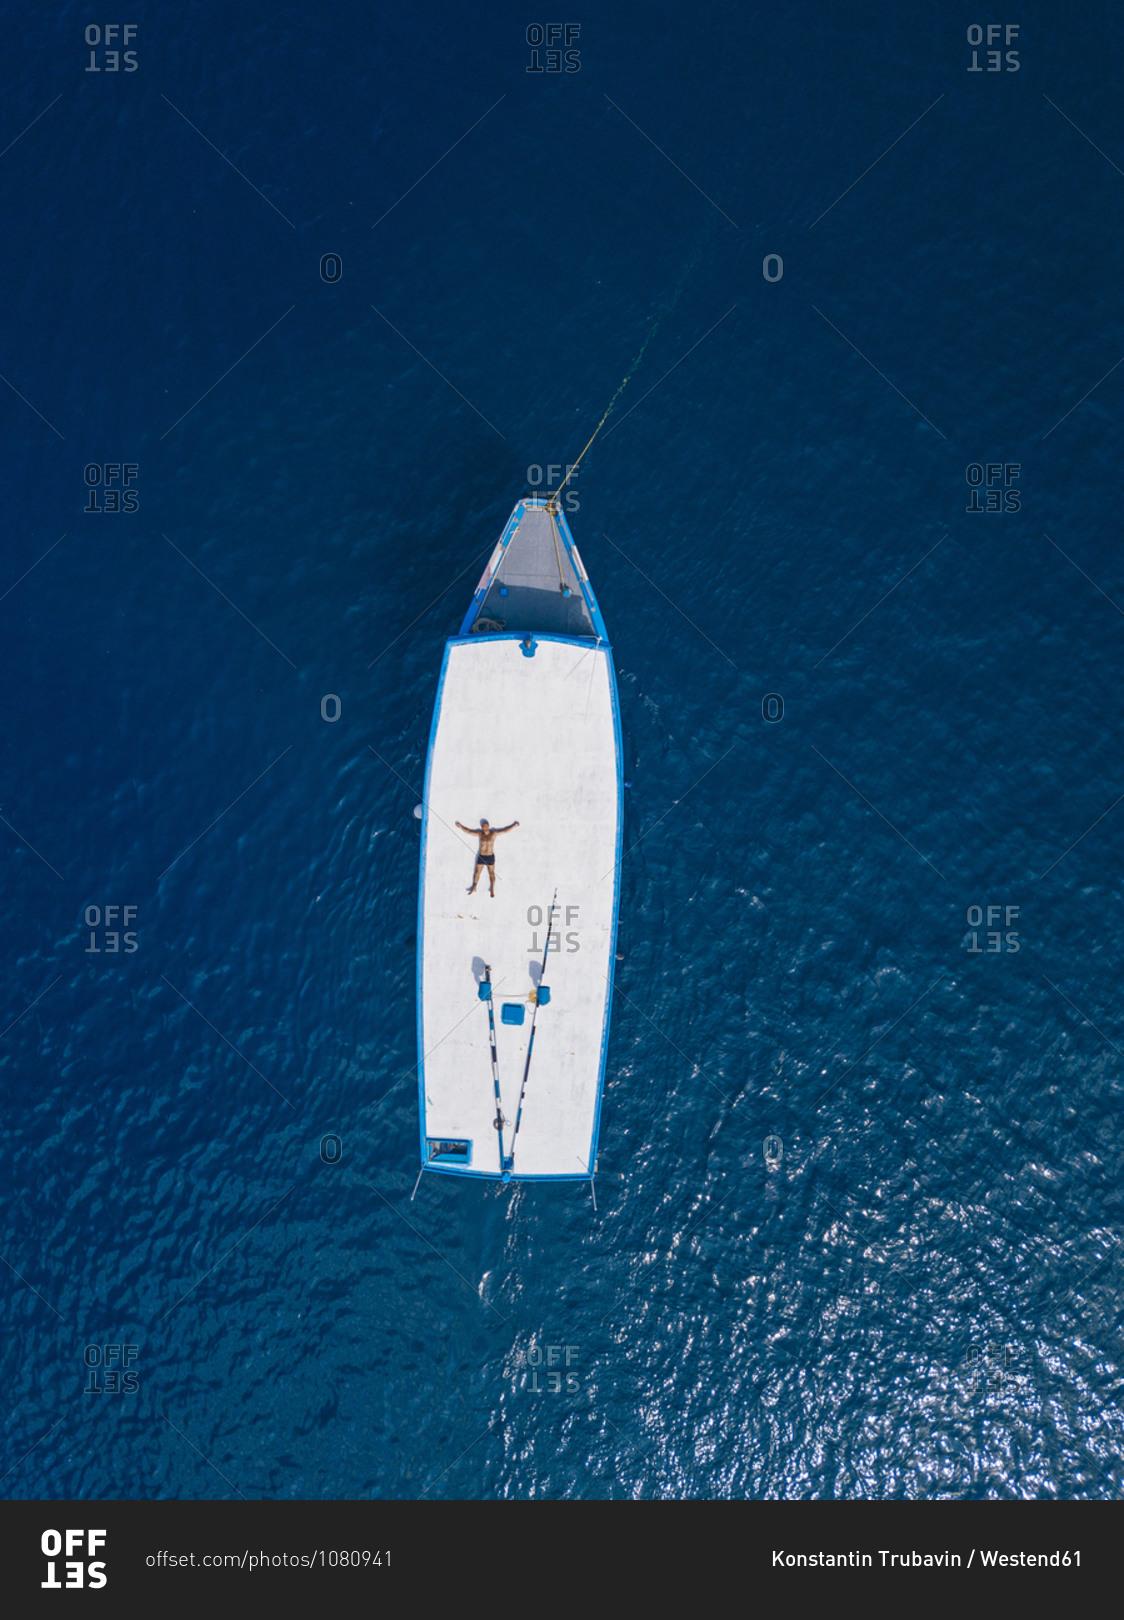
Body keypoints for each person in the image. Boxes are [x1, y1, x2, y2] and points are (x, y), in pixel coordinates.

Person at [455, 817, 519, 897]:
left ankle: (492, 888)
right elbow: (469, 831)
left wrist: (514, 826)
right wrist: (461, 826)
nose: (484, 828)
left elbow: (504, 830)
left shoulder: (494, 834)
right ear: (482, 827)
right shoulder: (479, 834)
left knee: (491, 874)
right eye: (483, 826)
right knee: (477, 872)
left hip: (490, 857)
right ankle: (474, 887)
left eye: (486, 826)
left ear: (488, 826)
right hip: (481, 856)